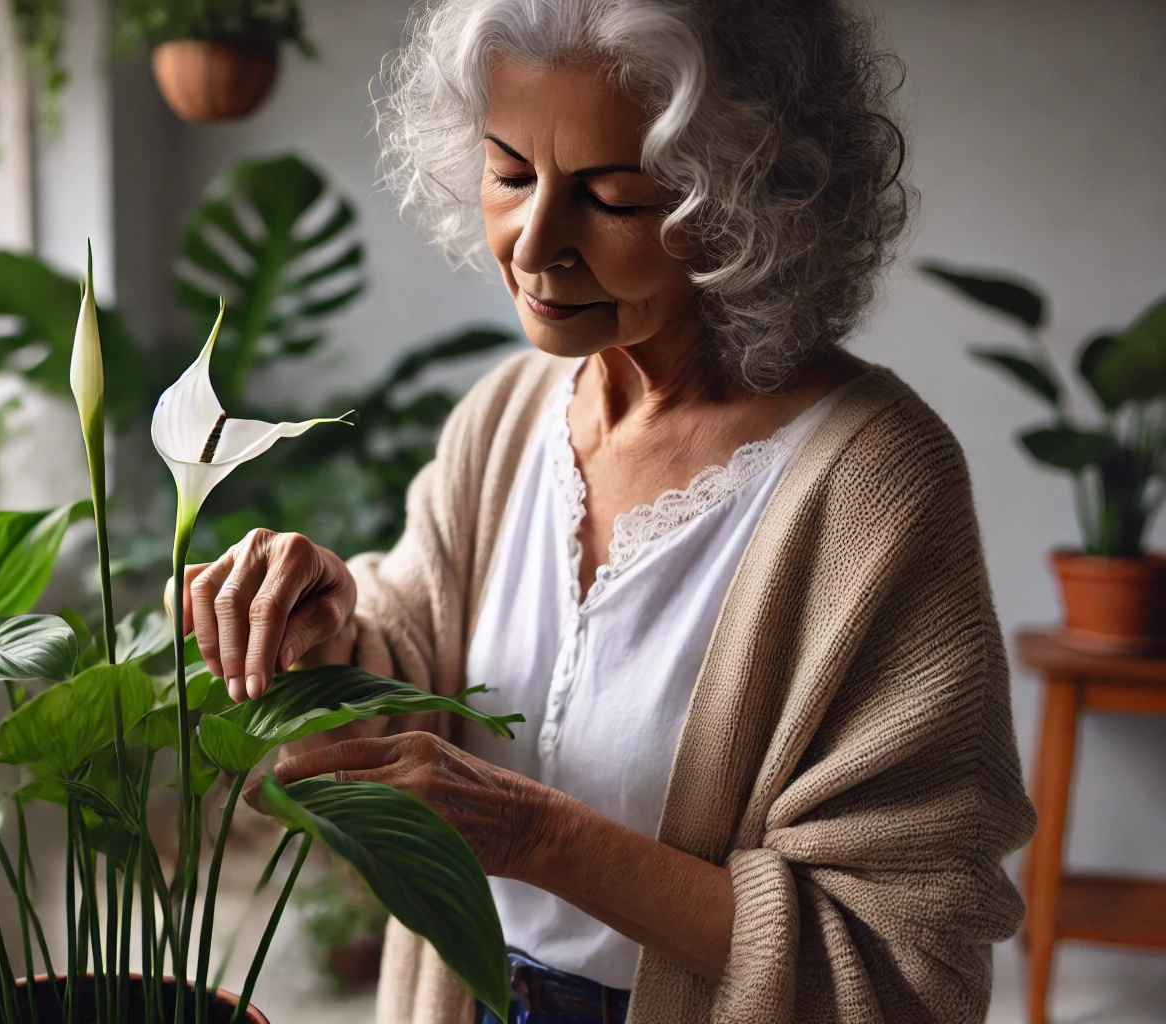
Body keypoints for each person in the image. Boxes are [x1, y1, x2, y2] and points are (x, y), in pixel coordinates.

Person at [182, 1, 1037, 1022]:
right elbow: (410, 662)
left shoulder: (875, 485)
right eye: (510, 176)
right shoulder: (506, 417)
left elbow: (909, 956)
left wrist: (540, 837)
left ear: (750, 201)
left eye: (612, 198)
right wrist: (322, 627)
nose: (535, 245)